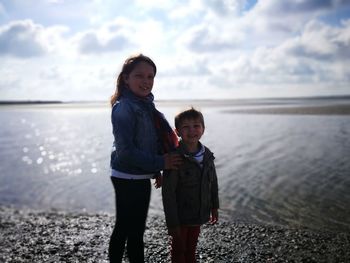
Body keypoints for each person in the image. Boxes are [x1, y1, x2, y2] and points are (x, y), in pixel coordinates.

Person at [109, 54, 182, 263]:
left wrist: (155, 170)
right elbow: (126, 152)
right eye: (139, 76)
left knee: (131, 229)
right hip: (126, 176)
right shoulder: (124, 107)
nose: (146, 81)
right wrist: (161, 162)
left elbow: (148, 141)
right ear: (126, 78)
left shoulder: (145, 104)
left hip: (139, 175)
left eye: (150, 77)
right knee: (129, 230)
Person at [162, 108, 219, 263]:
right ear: (177, 131)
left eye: (196, 126)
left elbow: (213, 183)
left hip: (198, 213)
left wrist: (214, 206)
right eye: (186, 127)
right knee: (179, 248)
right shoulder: (175, 157)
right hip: (180, 217)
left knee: (192, 247)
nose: (192, 130)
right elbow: (168, 193)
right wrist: (172, 223)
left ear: (203, 129)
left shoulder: (207, 155)